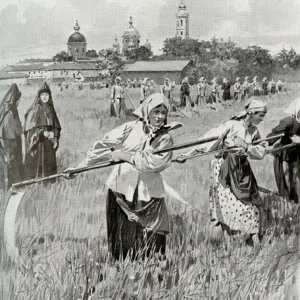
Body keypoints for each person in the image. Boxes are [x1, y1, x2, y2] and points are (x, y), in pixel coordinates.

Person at [64, 93, 183, 260]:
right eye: (156, 112)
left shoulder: (165, 139)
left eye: (163, 113)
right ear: (147, 111)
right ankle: (121, 268)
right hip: (121, 189)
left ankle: (152, 271)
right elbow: (102, 146)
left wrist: (125, 156)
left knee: (151, 240)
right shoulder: (130, 128)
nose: (160, 117)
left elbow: (155, 163)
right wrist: (78, 168)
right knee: (122, 238)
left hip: (148, 193)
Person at [178, 99, 268, 245]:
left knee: (250, 202)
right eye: (260, 115)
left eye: (263, 116)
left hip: (243, 170)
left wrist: (246, 146)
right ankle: (230, 240)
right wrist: (188, 154)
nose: (262, 119)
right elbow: (207, 140)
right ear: (251, 113)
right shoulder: (231, 125)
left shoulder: (255, 131)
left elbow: (259, 153)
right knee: (228, 204)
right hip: (225, 170)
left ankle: (253, 237)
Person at [24, 82, 61, 179]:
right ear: (39, 96)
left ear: (49, 96)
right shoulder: (35, 110)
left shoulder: (51, 109)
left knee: (50, 162)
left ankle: (50, 183)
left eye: (46, 95)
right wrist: (41, 133)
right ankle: (39, 182)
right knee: (40, 163)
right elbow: (30, 129)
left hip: (50, 142)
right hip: (39, 143)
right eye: (42, 95)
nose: (45, 97)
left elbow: (56, 126)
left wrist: (56, 138)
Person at [267, 98, 300, 203]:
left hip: (298, 153)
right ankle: (289, 200)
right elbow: (274, 135)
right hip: (286, 153)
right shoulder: (289, 121)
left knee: (296, 178)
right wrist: (267, 142)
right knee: (287, 178)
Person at [0, 84, 23, 190]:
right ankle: (11, 188)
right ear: (14, 99)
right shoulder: (9, 113)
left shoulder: (13, 110)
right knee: (11, 167)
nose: (19, 102)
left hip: (12, 142)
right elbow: (8, 133)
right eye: (18, 99)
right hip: (10, 144)